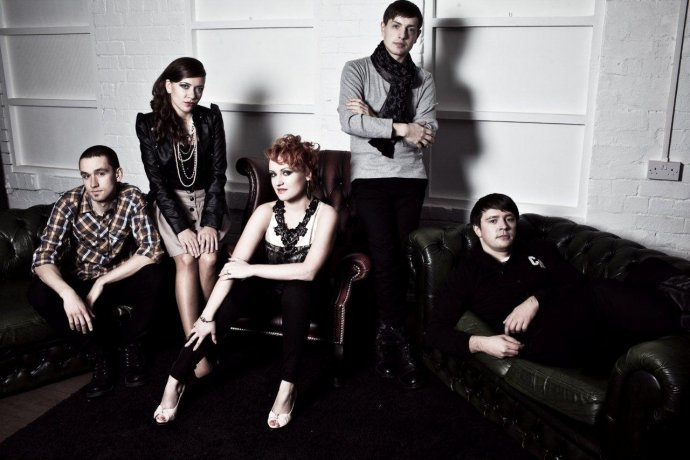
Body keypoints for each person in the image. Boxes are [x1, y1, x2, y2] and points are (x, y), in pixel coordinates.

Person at [153, 134, 338, 429]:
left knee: (296, 291)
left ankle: (287, 388)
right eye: (274, 174)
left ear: (307, 173)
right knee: (230, 298)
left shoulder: (326, 214)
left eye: (287, 172)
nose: (278, 181)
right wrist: (206, 316)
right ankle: (175, 379)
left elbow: (308, 271)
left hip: (307, 293)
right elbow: (232, 269)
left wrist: (250, 270)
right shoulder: (265, 212)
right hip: (268, 288)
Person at [427, 193, 684, 370]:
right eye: (493, 221)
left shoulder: (538, 249)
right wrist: (482, 343)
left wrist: (536, 300)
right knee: (604, 292)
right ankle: (680, 320)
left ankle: (674, 313)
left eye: (509, 219)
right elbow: (435, 330)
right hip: (547, 339)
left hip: (581, 316)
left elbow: (577, 283)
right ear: (478, 230)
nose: (503, 226)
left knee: (648, 269)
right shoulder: (466, 273)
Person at [337, 0, 438, 389]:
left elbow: (427, 132)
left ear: (418, 35)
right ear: (383, 28)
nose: (402, 35)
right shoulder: (356, 69)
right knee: (383, 255)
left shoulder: (423, 80)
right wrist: (402, 127)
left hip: (411, 179)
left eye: (411, 29)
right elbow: (350, 121)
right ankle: (393, 339)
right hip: (370, 179)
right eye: (396, 26)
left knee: (402, 257)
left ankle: (391, 333)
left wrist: (375, 119)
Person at [28, 145, 165, 399]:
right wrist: (67, 294)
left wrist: (102, 282)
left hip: (118, 278)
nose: (92, 183)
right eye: (85, 175)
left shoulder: (131, 197)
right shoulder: (69, 202)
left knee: (157, 274)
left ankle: (131, 344)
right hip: (82, 280)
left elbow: (151, 250)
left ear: (118, 174)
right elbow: (43, 258)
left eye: (101, 173)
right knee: (37, 291)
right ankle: (100, 355)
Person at [136, 57, 230, 378]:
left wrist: (210, 223)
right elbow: (157, 184)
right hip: (171, 205)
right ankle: (194, 353)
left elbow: (218, 174)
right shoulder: (148, 124)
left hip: (208, 200)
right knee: (187, 260)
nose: (192, 95)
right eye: (185, 86)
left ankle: (214, 331)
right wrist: (182, 229)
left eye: (198, 88)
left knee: (209, 260)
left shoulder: (210, 118)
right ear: (168, 86)